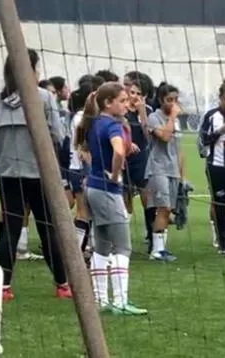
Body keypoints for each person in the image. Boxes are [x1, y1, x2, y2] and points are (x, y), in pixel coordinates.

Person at [0, 48, 71, 301]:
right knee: (47, 229)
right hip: (38, 174)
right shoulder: (43, 97)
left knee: (10, 228)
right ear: (29, 70)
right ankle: (62, 283)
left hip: (6, 174)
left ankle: (4, 286)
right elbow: (59, 134)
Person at [75, 82, 146, 315]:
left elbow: (88, 150)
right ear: (108, 103)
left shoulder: (95, 123)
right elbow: (118, 151)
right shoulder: (113, 125)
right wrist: (115, 175)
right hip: (107, 190)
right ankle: (120, 301)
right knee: (123, 247)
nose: (128, 105)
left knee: (102, 246)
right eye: (123, 101)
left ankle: (101, 300)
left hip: (93, 188)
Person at [68, 74, 105, 264]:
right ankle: (75, 254)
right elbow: (82, 147)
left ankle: (86, 250)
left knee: (89, 213)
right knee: (84, 212)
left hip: (80, 169)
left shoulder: (85, 116)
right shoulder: (83, 118)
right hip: (81, 170)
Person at [200, 82, 225, 254]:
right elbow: (203, 141)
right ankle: (222, 241)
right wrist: (220, 132)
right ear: (220, 98)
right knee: (220, 204)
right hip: (216, 166)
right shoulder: (211, 116)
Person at [145, 83, 183, 262]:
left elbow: (178, 149)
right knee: (163, 207)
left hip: (173, 170)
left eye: (176, 100)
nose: (173, 103)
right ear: (161, 100)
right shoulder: (154, 117)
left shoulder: (175, 121)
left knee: (169, 210)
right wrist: (173, 116)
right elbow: (165, 137)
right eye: (169, 100)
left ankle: (161, 248)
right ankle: (156, 250)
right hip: (158, 168)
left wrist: (183, 175)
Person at [122, 71, 155, 251]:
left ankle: (152, 236)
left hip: (141, 159)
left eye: (138, 94)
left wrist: (142, 111)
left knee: (147, 197)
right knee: (124, 197)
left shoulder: (148, 111)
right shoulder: (120, 109)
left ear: (145, 96)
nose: (133, 96)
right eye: (131, 92)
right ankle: (123, 239)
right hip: (123, 158)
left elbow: (148, 135)